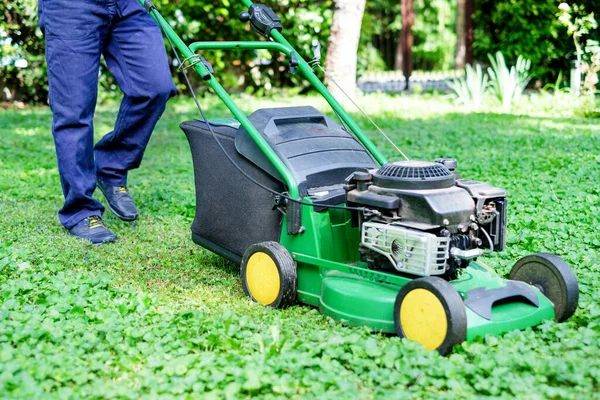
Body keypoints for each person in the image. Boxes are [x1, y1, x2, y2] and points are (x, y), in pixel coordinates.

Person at [38, 0, 176, 244]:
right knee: (73, 111)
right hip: (70, 7)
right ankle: (80, 210)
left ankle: (110, 166)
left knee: (155, 87)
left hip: (127, 4)